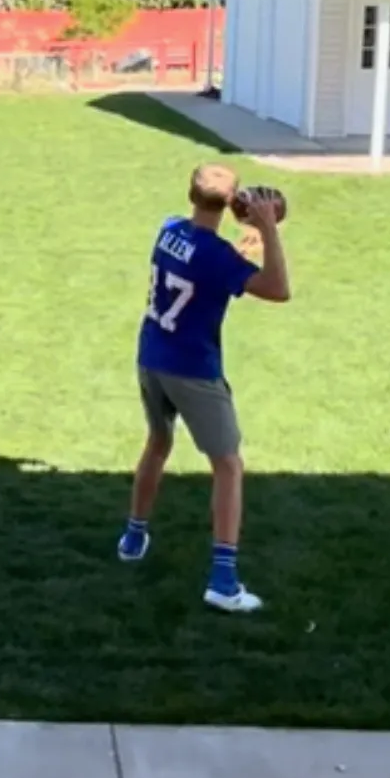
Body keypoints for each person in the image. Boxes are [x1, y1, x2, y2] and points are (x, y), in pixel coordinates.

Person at [118, 163, 291, 613]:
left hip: (151, 353)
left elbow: (202, 253)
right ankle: (223, 581)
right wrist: (268, 230)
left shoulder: (168, 229)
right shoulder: (219, 259)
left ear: (190, 194)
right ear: (233, 201)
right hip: (193, 368)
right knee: (228, 465)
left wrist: (242, 239)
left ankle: (133, 536)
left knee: (158, 442)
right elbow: (278, 289)